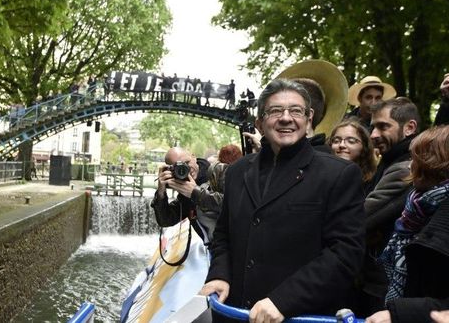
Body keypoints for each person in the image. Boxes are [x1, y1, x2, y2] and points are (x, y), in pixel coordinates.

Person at [200, 79, 365, 322]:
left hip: (298, 316)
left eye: (296, 110)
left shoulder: (338, 174)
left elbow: (345, 254)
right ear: (259, 123)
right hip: (235, 313)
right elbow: (224, 235)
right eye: (275, 111)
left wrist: (284, 300)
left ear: (309, 119)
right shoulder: (237, 172)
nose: (286, 118)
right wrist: (219, 275)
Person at [366, 125, 449, 323]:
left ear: (435, 164)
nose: (410, 166)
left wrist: (401, 313)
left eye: (416, 159)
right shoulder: (417, 206)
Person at [361, 97, 421, 315]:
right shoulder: (389, 161)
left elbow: (360, 218)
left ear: (409, 127)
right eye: (372, 127)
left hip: (386, 285)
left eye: (383, 126)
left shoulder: (406, 168)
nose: (374, 135)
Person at [151, 147, 223, 245]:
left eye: (187, 162)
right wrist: (161, 194)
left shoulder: (219, 172)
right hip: (215, 248)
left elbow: (234, 204)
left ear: (193, 157)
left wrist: (195, 193)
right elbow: (166, 220)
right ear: (171, 170)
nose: (187, 169)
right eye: (179, 167)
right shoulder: (185, 191)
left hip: (236, 245)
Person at [328, 119, 377, 193]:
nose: (341, 145)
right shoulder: (321, 174)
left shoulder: (374, 181)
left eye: (351, 141)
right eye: (336, 141)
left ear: (364, 147)